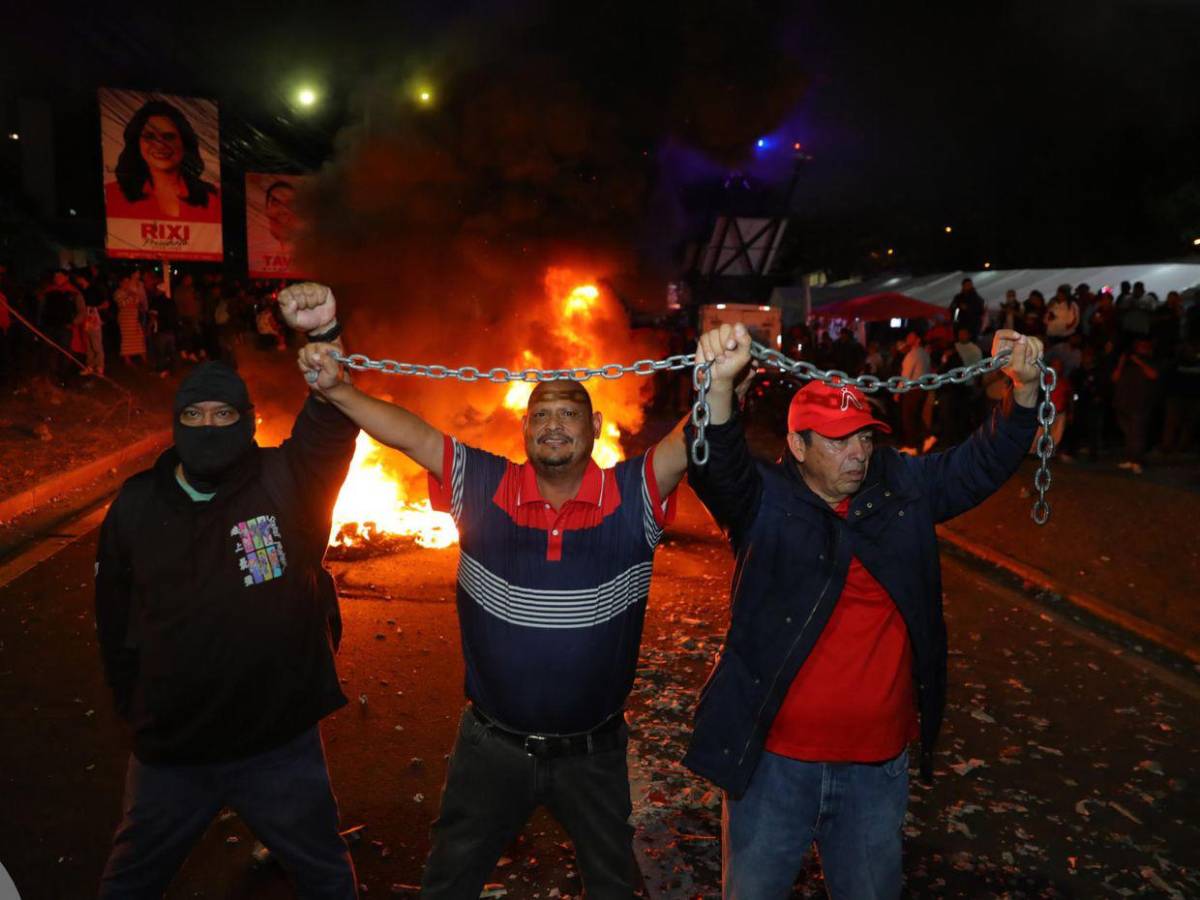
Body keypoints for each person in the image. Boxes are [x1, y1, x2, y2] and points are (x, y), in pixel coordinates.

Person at [298, 326, 692, 899]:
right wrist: (338, 390)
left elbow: (688, 440)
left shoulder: (633, 494)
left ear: (595, 426)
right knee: (448, 884)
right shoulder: (484, 484)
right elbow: (411, 435)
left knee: (612, 885)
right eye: (542, 414)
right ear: (524, 427)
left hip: (593, 753)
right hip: (491, 747)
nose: (554, 424)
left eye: (569, 413)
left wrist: (721, 381)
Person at [682, 322, 1045, 900]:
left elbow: (978, 464)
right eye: (837, 440)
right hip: (775, 766)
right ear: (797, 446)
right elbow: (717, 463)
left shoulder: (900, 491)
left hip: (875, 771)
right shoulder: (764, 502)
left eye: (865, 438)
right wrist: (719, 388)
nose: (857, 454)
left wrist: (1023, 392)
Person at [94, 283, 359, 897]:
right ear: (176, 425)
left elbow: (332, 419)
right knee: (130, 881)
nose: (208, 427)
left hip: (278, 742)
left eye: (223, 415)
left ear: (248, 422)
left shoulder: (287, 480)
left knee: (325, 877)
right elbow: (114, 621)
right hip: (172, 749)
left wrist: (324, 335)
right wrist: (137, 709)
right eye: (194, 416)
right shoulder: (136, 504)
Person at [104, 100, 220, 221]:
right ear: (137, 143)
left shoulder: (214, 197)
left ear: (184, 143)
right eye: (150, 137)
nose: (160, 145)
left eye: (168, 137)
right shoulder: (110, 195)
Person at [1111, 337, 1160, 474]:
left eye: (1144, 345)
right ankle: (1130, 458)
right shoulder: (1127, 362)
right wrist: (1121, 363)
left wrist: (1139, 362)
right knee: (1129, 434)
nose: (1141, 348)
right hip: (1123, 402)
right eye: (1139, 345)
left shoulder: (1150, 361)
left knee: (1137, 434)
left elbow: (1153, 375)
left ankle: (1137, 461)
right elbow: (1114, 378)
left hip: (1140, 404)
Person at [896, 331, 931, 449]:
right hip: (922, 389)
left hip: (912, 390)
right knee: (916, 416)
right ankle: (926, 438)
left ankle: (912, 445)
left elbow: (906, 376)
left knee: (909, 418)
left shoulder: (912, 355)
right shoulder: (925, 354)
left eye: (910, 337)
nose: (907, 338)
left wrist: (898, 391)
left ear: (917, 339)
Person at [115, 274, 148, 366]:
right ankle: (127, 359)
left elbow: (137, 302)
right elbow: (122, 304)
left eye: (128, 282)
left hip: (134, 318)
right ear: (120, 283)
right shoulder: (118, 293)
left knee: (139, 337)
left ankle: (144, 358)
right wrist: (131, 297)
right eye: (125, 282)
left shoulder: (131, 292)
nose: (127, 284)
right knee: (126, 339)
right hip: (125, 320)